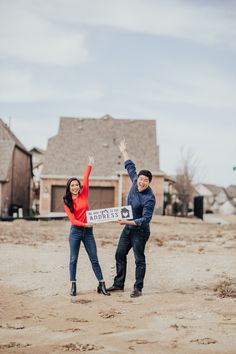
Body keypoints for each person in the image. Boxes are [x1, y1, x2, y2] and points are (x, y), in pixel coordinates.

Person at [107, 139, 156, 297]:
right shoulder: (135, 180)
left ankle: (138, 288)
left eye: (145, 181)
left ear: (149, 183)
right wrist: (124, 151)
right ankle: (119, 284)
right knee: (119, 254)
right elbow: (130, 166)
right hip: (128, 228)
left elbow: (145, 220)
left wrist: (125, 221)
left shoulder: (150, 198)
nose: (141, 182)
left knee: (139, 259)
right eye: (141, 179)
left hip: (140, 231)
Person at [63, 156, 110, 296]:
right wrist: (85, 224)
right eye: (72, 185)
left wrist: (90, 165)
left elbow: (86, 178)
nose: (75, 187)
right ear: (69, 188)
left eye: (76, 185)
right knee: (73, 259)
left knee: (94, 258)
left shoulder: (84, 194)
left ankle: (101, 284)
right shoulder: (67, 201)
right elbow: (72, 220)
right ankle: (73, 284)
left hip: (88, 232)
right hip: (76, 231)